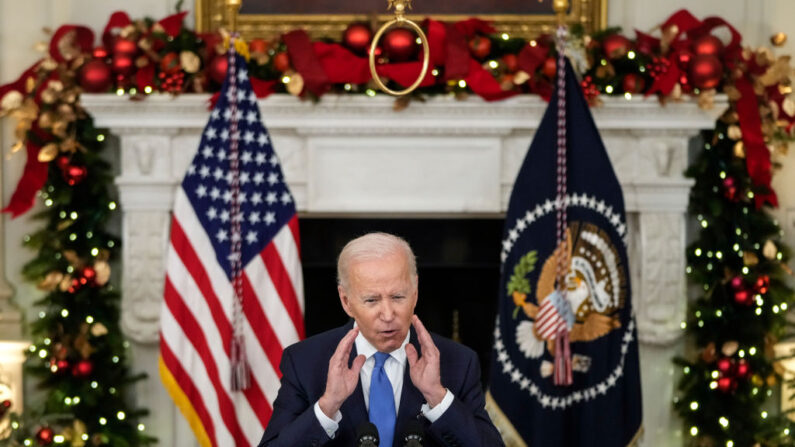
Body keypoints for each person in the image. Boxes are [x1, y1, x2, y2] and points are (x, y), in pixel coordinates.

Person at [258, 232, 504, 447]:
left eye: (398, 296)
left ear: (415, 292)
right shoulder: (305, 361)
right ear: (346, 301)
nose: (388, 315)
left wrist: (437, 397)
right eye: (372, 300)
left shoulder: (458, 362)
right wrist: (327, 406)